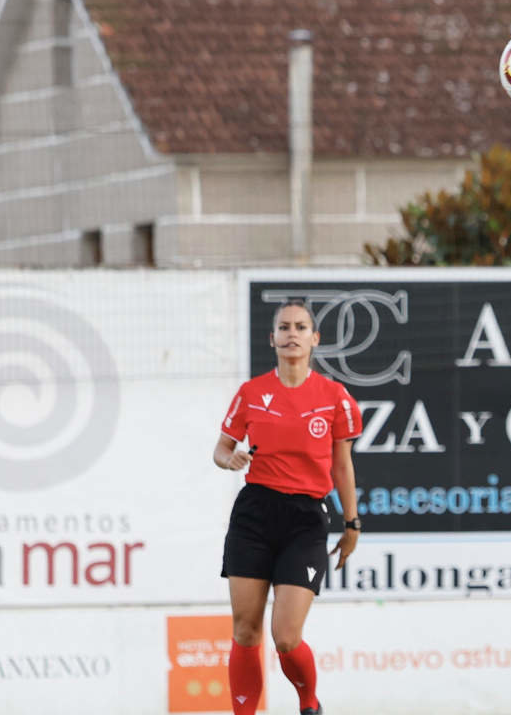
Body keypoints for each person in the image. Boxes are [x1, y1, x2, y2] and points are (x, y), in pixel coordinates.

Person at [213, 299, 363, 715]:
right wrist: (232, 459)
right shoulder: (251, 392)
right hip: (254, 513)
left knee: (285, 637)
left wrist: (352, 522)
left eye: (300, 327)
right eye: (284, 327)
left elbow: (342, 465)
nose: (292, 334)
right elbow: (221, 450)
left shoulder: (335, 397)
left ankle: (308, 701)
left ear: (315, 338)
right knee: (245, 630)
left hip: (305, 519)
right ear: (272, 339)